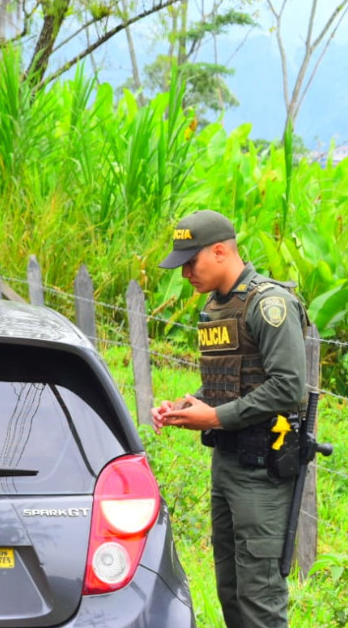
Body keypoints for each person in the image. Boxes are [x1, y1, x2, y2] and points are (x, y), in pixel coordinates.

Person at [151, 209, 308, 628]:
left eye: (191, 261)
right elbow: (227, 383)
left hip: (264, 472)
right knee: (231, 591)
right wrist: (188, 406)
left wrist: (215, 417)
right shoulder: (217, 307)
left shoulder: (269, 304)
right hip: (227, 466)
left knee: (259, 600)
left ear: (220, 251)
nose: (185, 273)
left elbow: (288, 386)